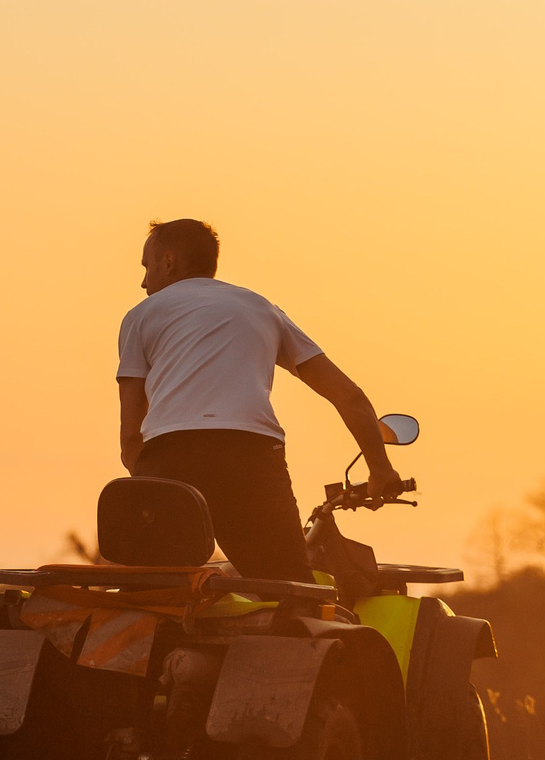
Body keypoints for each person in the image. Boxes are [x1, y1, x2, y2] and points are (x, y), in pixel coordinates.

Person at [116, 218, 401, 580]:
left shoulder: (141, 316)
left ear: (168, 262)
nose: (144, 282)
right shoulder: (261, 309)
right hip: (251, 457)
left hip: (170, 456)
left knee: (160, 595)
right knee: (289, 590)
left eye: (147, 267)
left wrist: (153, 488)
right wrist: (380, 468)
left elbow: (130, 435)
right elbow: (350, 396)